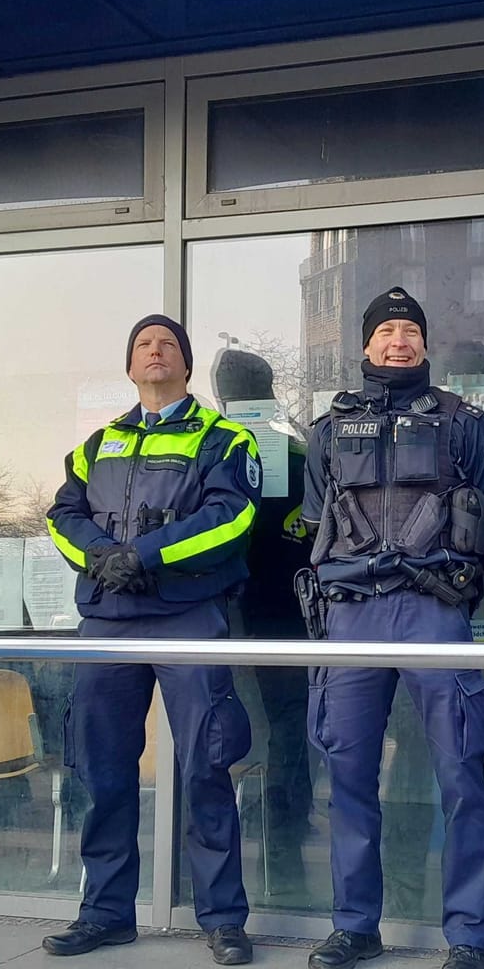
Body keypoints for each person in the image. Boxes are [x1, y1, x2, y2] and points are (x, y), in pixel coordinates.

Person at [298, 288, 484, 969]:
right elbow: (313, 520)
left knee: (461, 774)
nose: (399, 341)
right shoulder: (329, 429)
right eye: (387, 330)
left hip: (432, 608)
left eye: (411, 331)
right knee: (349, 775)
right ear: (365, 346)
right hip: (352, 610)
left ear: (426, 344)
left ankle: (470, 937)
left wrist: (456, 573)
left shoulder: (463, 422)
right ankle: (354, 925)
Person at [43, 314, 261, 967]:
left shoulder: (223, 437)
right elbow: (62, 515)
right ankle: (105, 913)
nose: (155, 352)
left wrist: (145, 556)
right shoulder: (98, 443)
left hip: (187, 615)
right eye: (143, 344)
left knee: (206, 766)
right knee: (103, 772)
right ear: (130, 367)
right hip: (107, 620)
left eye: (167, 344)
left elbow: (233, 516)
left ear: (186, 366)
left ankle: (222, 919)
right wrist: (102, 557)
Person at [211, 346, 316, 894]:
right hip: (281, 615)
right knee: (287, 733)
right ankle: (285, 844)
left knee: (246, 733)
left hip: (245, 613)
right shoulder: (295, 449)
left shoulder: (227, 449)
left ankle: (270, 848)